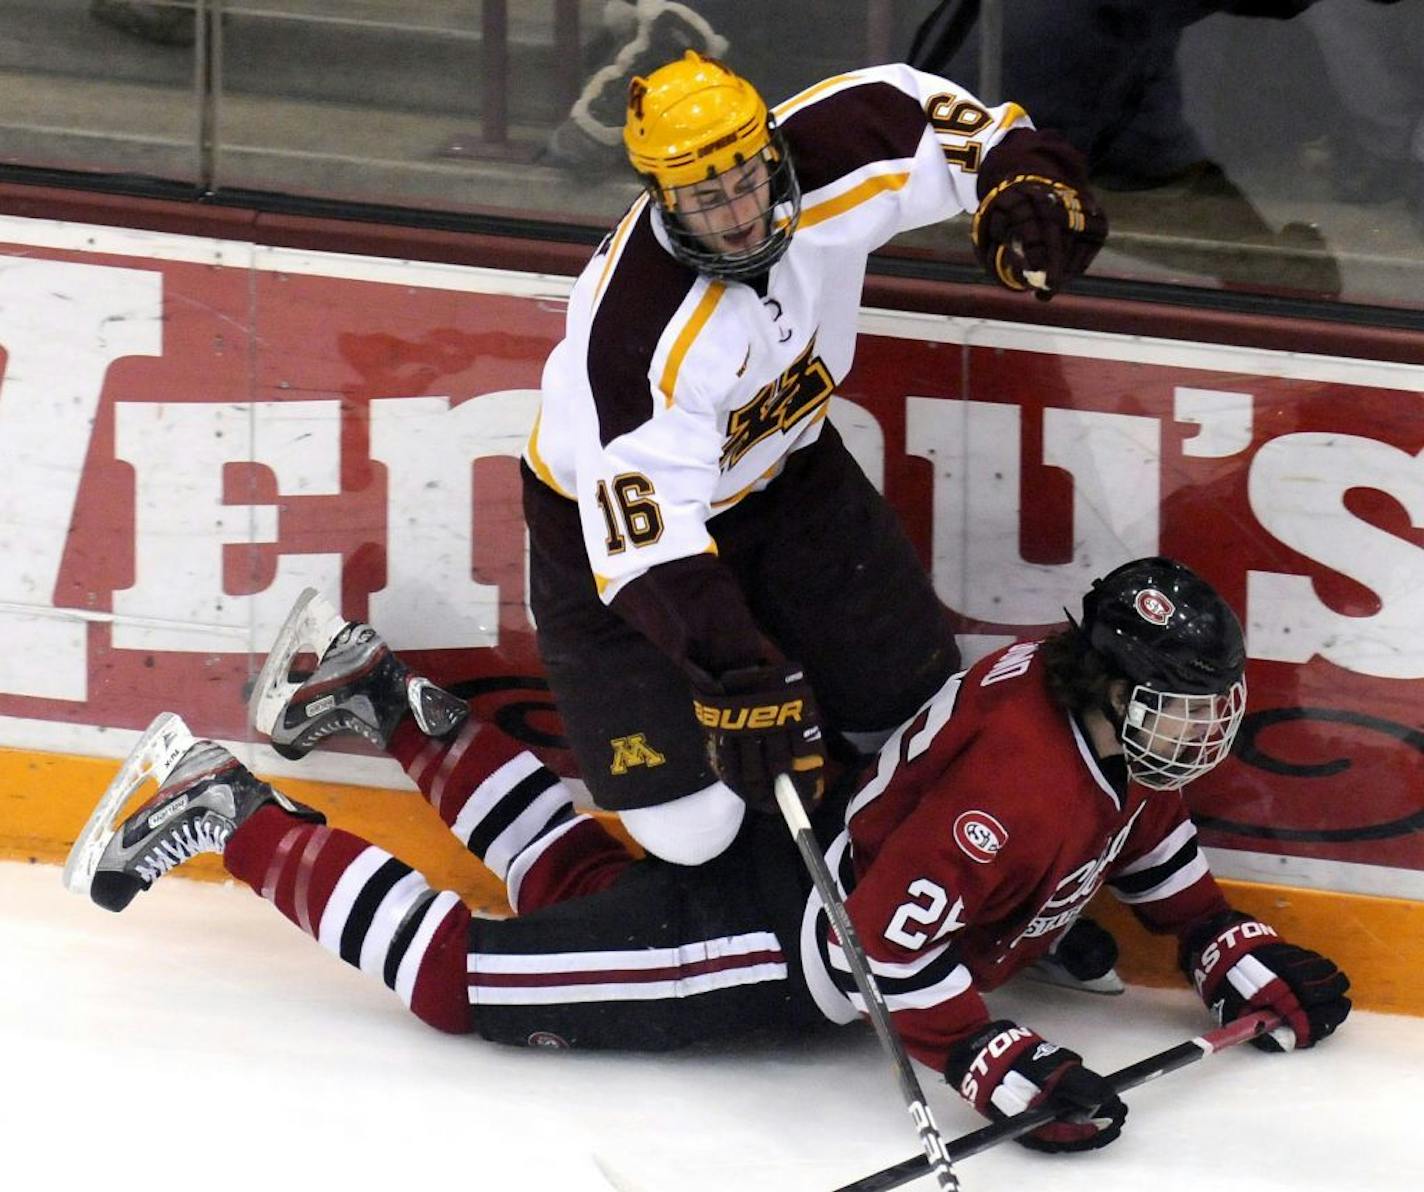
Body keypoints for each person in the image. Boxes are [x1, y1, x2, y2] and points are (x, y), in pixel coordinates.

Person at [66, 559, 1350, 1153]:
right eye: (1176, 708)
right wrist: (997, 1062)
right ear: (1108, 686)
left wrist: (1220, 942)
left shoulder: (1084, 722)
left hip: (790, 881)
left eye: (1209, 703)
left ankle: (374, 690)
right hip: (774, 944)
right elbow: (887, 941)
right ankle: (224, 805)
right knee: (466, 980)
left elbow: (1138, 823)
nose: (1202, 731)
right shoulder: (1010, 786)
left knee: (577, 891)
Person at [524, 49, 1108, 868]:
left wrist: (1025, 182)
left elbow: (949, 126)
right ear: (661, 198)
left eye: (748, 181)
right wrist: (738, 681)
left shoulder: (834, 145)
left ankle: (896, 873)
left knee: (915, 715)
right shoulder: (637, 334)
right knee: (690, 830)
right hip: (608, 543)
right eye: (707, 199)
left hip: (788, 476)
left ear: (771, 151)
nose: (739, 216)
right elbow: (648, 551)